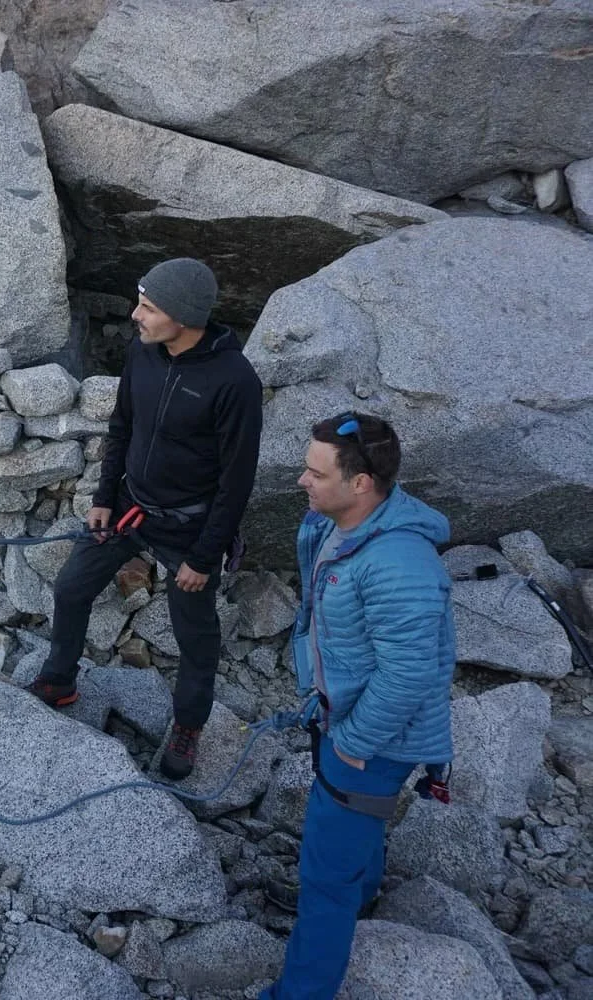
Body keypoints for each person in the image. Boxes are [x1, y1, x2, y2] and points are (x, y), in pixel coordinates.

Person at [25, 258, 262, 779]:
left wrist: (203, 555)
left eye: (149, 307)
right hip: (131, 508)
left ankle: (187, 727)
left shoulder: (235, 382)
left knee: (194, 634)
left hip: (190, 529)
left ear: (184, 316)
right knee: (71, 587)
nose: (136, 315)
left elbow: (236, 481)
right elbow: (122, 425)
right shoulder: (145, 351)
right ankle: (59, 681)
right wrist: (104, 496)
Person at [260, 413, 454, 1000]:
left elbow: (409, 677)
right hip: (342, 711)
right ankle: (364, 888)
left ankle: (299, 992)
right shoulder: (339, 524)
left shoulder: (399, 565)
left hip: (375, 736)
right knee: (350, 842)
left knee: (324, 876)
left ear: (361, 482)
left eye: (315, 473)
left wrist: (353, 741)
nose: (301, 482)